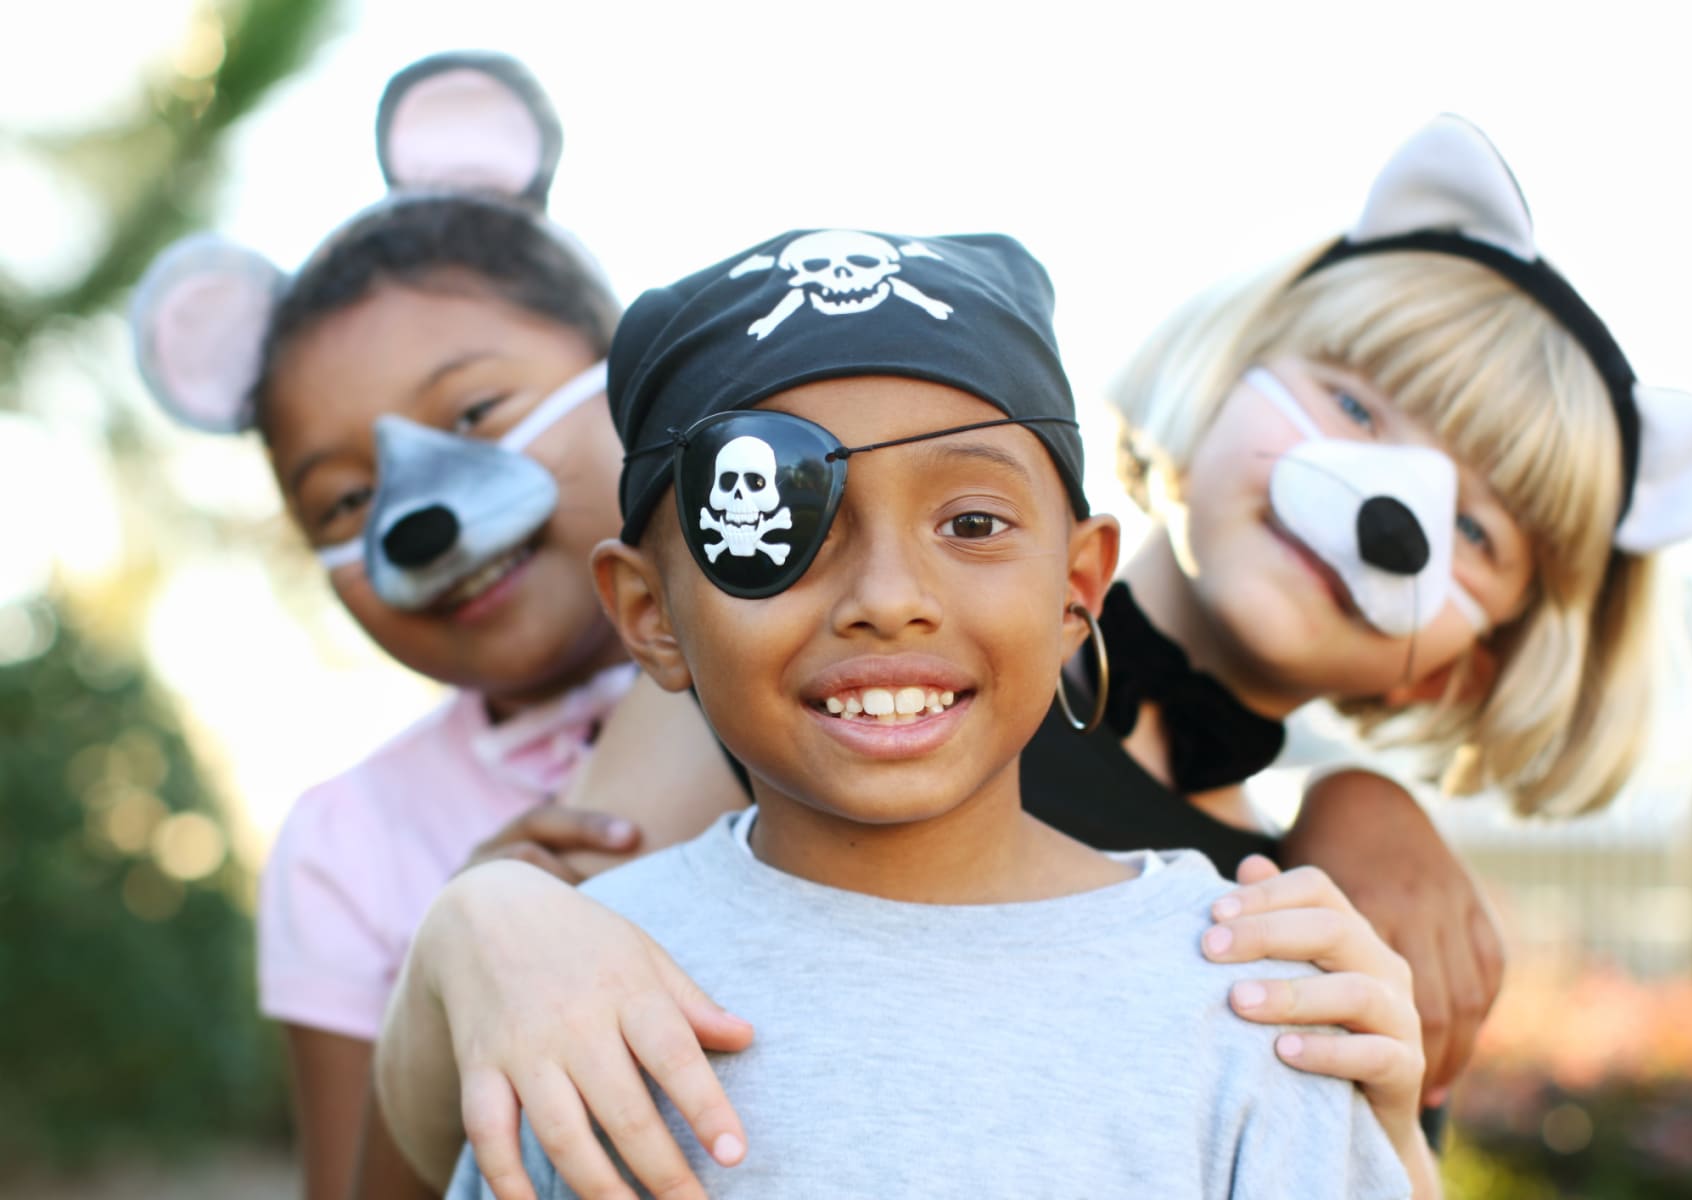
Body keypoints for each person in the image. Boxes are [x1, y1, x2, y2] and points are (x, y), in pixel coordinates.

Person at [431, 226, 1421, 1198]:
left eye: (973, 523)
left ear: (1079, 587)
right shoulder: (580, 987)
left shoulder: (1246, 996)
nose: (889, 594)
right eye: (779, 521)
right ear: (651, 616)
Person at [129, 52, 691, 1199]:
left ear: (626, 365)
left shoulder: (826, 667)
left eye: (477, 410)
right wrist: (446, 981)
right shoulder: (349, 846)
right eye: (342, 499)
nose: (415, 513)